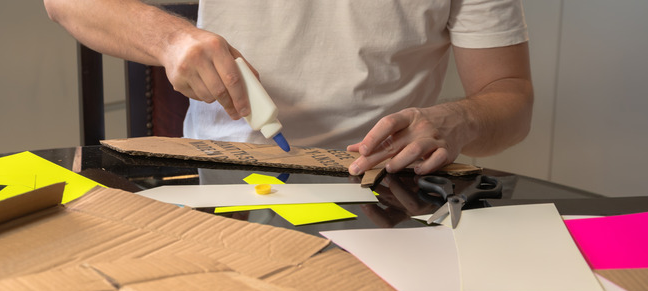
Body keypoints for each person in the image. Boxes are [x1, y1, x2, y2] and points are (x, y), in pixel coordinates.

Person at [44, 0, 533, 177]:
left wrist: (458, 120)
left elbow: (510, 96)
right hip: (222, 173)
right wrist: (171, 40)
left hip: (383, 186)